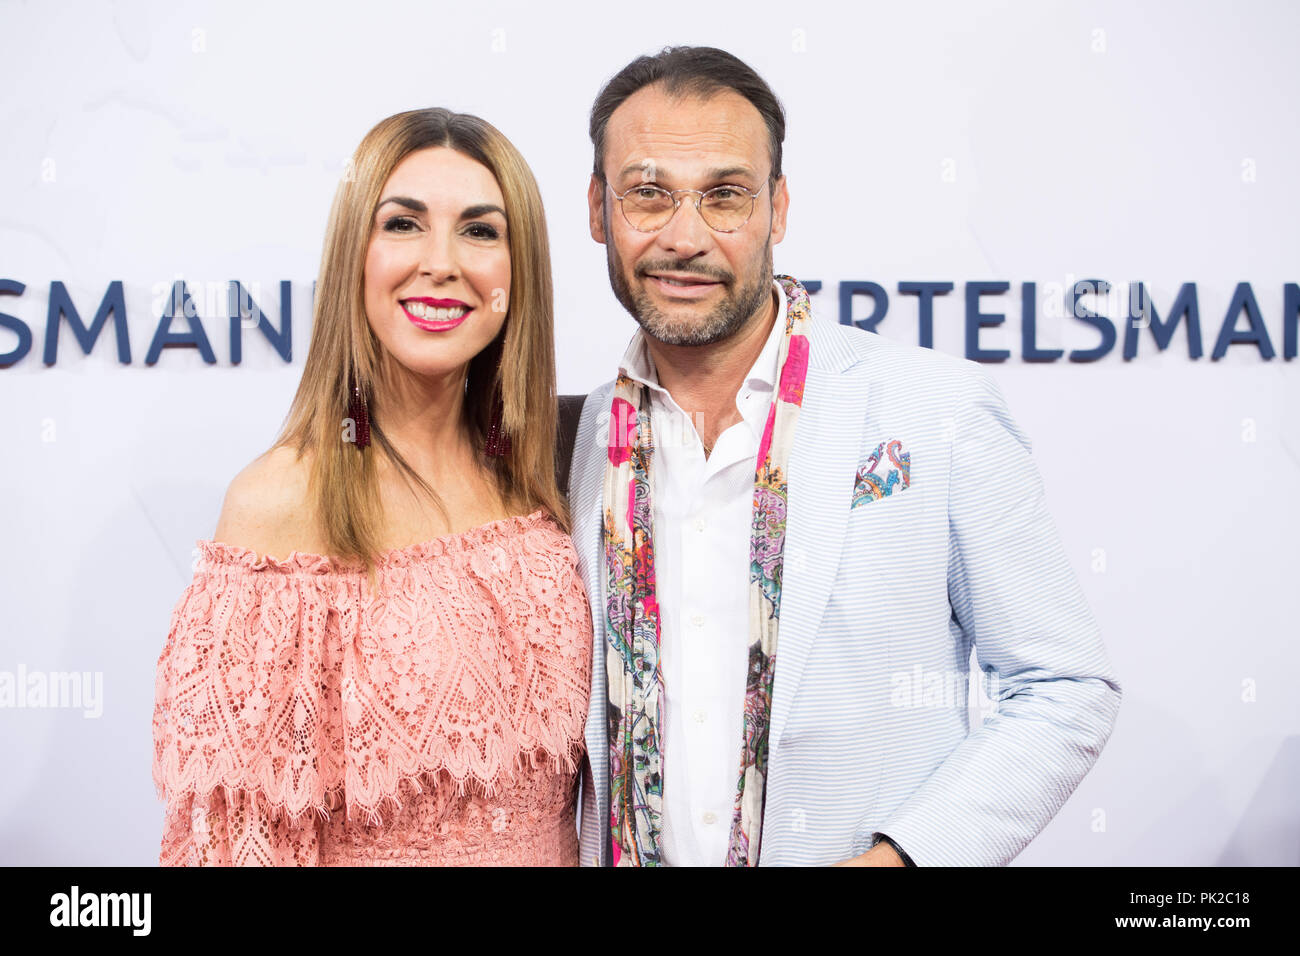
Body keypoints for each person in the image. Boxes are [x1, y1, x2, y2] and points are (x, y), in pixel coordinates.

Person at [564, 47, 1123, 867]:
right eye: (648, 194)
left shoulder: (936, 410)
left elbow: (1065, 689)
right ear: (597, 209)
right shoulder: (564, 441)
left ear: (778, 208)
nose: (685, 238)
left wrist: (902, 860)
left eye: (725, 196)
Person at [151, 108, 593, 866]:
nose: (442, 262)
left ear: (518, 275)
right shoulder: (282, 503)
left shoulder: (546, 471)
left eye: (482, 231)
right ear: (355, 253)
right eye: (403, 224)